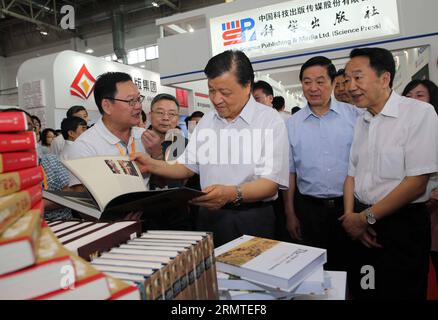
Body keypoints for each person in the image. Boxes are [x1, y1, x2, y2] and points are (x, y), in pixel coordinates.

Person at [130, 50, 289, 247]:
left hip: (251, 216)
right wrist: (153, 164)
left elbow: (271, 183)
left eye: (225, 92)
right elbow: (187, 166)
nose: (216, 99)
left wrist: (231, 194)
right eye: (211, 90)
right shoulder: (206, 121)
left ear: (247, 86)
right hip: (209, 216)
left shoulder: (269, 120)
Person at [341, 47, 438, 299]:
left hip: (401, 225)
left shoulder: (419, 113)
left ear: (384, 78)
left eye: (358, 77)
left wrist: (364, 219)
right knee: (367, 290)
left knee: (402, 291)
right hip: (362, 224)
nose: (350, 86)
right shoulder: (362, 121)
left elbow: (417, 183)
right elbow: (352, 174)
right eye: (347, 78)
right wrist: (352, 216)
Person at [284, 56, 361, 271]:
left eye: (320, 81)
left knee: (351, 269)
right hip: (309, 211)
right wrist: (290, 214)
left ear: (334, 82)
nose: (313, 88)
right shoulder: (292, 125)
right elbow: (290, 173)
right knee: (314, 273)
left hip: (348, 208)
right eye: (307, 82)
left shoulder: (355, 117)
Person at [64, 72, 149, 190]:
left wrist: (156, 156)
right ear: (107, 106)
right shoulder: (84, 147)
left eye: (139, 99)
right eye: (131, 101)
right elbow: (85, 198)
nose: (138, 106)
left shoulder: (145, 137)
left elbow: (161, 182)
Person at [402, 79, 438, 286]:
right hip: (418, 208)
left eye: (420, 95)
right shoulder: (406, 129)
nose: (413, 100)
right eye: (409, 96)